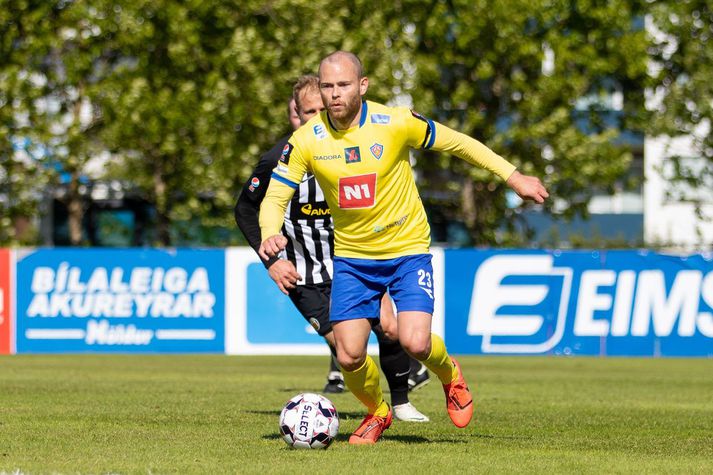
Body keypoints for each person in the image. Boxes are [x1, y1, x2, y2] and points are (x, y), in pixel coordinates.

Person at [259, 51, 549, 444]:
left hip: (406, 249)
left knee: (413, 341)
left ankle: (450, 375)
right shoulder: (307, 140)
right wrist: (269, 235)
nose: (334, 94)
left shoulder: (394, 122)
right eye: (327, 86)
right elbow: (275, 197)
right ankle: (378, 413)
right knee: (348, 355)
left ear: (363, 86)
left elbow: (459, 143)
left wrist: (513, 177)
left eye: (343, 85)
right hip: (353, 258)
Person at [235, 75, 430, 422]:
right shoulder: (280, 158)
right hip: (303, 274)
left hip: (350, 261)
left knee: (389, 326)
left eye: (320, 109)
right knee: (345, 349)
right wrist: (272, 261)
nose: (314, 117)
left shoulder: (353, 146)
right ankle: (378, 406)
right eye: (306, 111)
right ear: (295, 114)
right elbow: (245, 209)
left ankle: (401, 401)